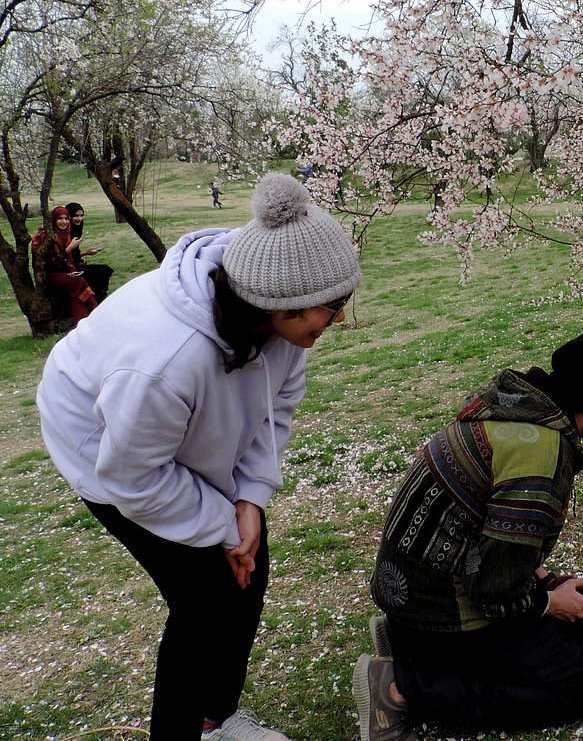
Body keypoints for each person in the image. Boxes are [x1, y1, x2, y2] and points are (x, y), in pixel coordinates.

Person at [38, 173, 362, 740]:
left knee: (247, 571)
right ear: (275, 302)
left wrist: (249, 500)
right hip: (102, 448)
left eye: (339, 303)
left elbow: (274, 407)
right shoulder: (168, 361)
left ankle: (217, 718)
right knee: (204, 600)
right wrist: (220, 525)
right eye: (325, 307)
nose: (335, 320)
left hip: (163, 436)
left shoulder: (284, 330)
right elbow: (133, 476)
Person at [353, 331, 583, 741]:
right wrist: (546, 603)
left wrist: (546, 583)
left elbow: (488, 530)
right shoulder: (540, 453)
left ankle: (410, 644)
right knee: (571, 688)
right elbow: (492, 588)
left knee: (566, 630)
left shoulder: (515, 413)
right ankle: (399, 685)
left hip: (413, 590)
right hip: (438, 607)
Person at [34, 205, 98, 323]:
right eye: (60, 218)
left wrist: (72, 270)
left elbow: (67, 260)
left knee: (75, 293)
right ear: (53, 220)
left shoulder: (66, 234)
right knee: (80, 282)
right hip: (49, 274)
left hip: (63, 272)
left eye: (66, 218)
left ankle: (84, 322)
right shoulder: (47, 236)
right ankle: (97, 310)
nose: (64, 222)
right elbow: (49, 261)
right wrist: (70, 248)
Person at [65, 201, 115, 301]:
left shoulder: (77, 228)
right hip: (67, 268)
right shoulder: (65, 232)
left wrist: (86, 253)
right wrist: (83, 252)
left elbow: (75, 254)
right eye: (75, 216)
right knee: (96, 274)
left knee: (105, 270)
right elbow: (64, 254)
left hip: (75, 263)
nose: (79, 219)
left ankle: (101, 298)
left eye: (81, 215)